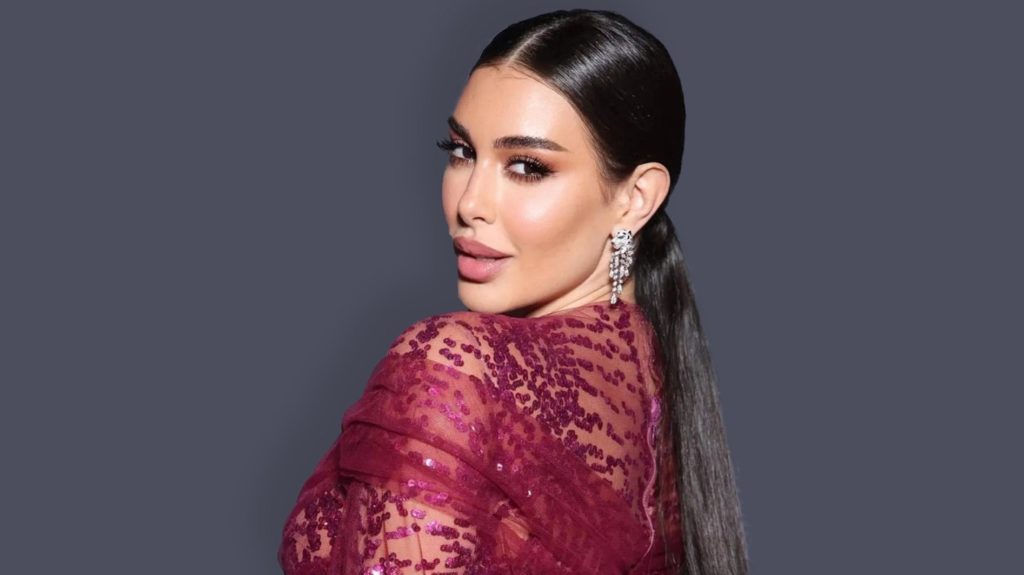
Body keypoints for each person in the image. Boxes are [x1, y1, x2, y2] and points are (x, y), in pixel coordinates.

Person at [278, 8, 749, 574]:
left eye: (526, 166)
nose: (470, 203)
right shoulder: (662, 374)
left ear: (635, 198)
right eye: (462, 152)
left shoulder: (456, 369)